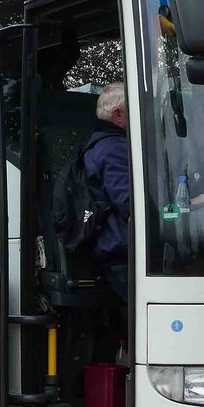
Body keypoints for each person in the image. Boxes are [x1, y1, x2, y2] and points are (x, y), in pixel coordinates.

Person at [83, 82, 130, 301]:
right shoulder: (116, 148)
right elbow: (132, 204)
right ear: (119, 115)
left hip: (111, 251)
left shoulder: (97, 146)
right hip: (123, 255)